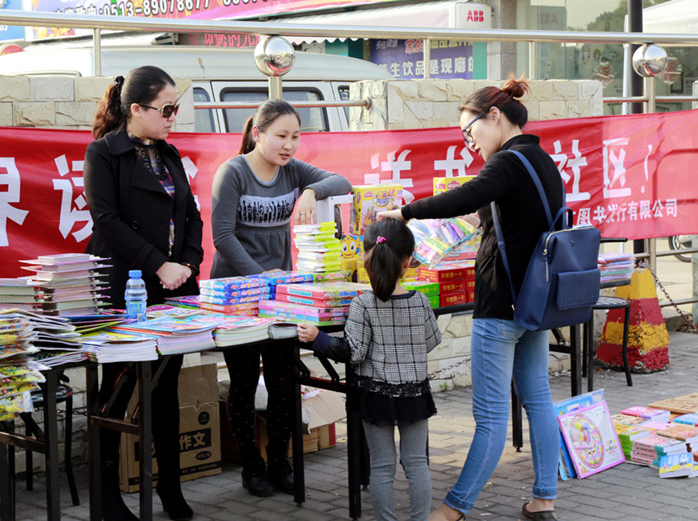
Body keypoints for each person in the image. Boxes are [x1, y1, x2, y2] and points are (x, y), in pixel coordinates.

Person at [378, 76, 563, 521]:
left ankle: (454, 508)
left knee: (491, 415)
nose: (469, 142)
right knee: (537, 398)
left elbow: (467, 195)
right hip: (533, 302)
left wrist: (404, 211)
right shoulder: (542, 159)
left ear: (495, 117)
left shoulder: (507, 161)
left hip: (502, 303)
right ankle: (544, 498)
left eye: (469, 131)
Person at [210, 98, 352, 497]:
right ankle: (252, 467)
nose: (289, 145)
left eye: (296, 137)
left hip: (281, 299)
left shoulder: (293, 172)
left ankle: (280, 461)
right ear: (258, 134)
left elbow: (341, 182)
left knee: (283, 380)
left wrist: (309, 191)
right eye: (281, 136)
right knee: (241, 383)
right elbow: (223, 237)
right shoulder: (232, 172)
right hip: (238, 296)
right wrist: (263, 279)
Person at [83, 66, 203, 521]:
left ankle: (170, 491)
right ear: (136, 109)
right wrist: (159, 264)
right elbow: (107, 222)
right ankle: (107, 495)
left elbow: (192, 215)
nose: (174, 116)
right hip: (123, 287)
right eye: (166, 109)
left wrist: (187, 264)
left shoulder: (169, 154)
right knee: (116, 390)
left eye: (176, 108)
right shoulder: (104, 154)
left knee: (165, 387)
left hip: (173, 288)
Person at [297, 217, 442, 521]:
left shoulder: (363, 305)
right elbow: (432, 340)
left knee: (382, 466)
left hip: (375, 396)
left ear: (365, 259)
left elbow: (353, 352)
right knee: (417, 463)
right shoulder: (421, 303)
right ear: (408, 261)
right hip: (414, 394)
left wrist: (318, 338)